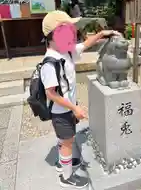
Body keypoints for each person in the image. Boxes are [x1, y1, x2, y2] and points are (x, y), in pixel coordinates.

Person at [41, 10, 120, 188]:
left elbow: (84, 45)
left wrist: (101, 34)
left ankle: (64, 162)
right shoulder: (50, 62)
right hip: (61, 111)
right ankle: (66, 177)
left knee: (66, 138)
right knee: (67, 141)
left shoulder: (66, 52)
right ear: (53, 35)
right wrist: (75, 108)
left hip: (68, 108)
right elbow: (51, 93)